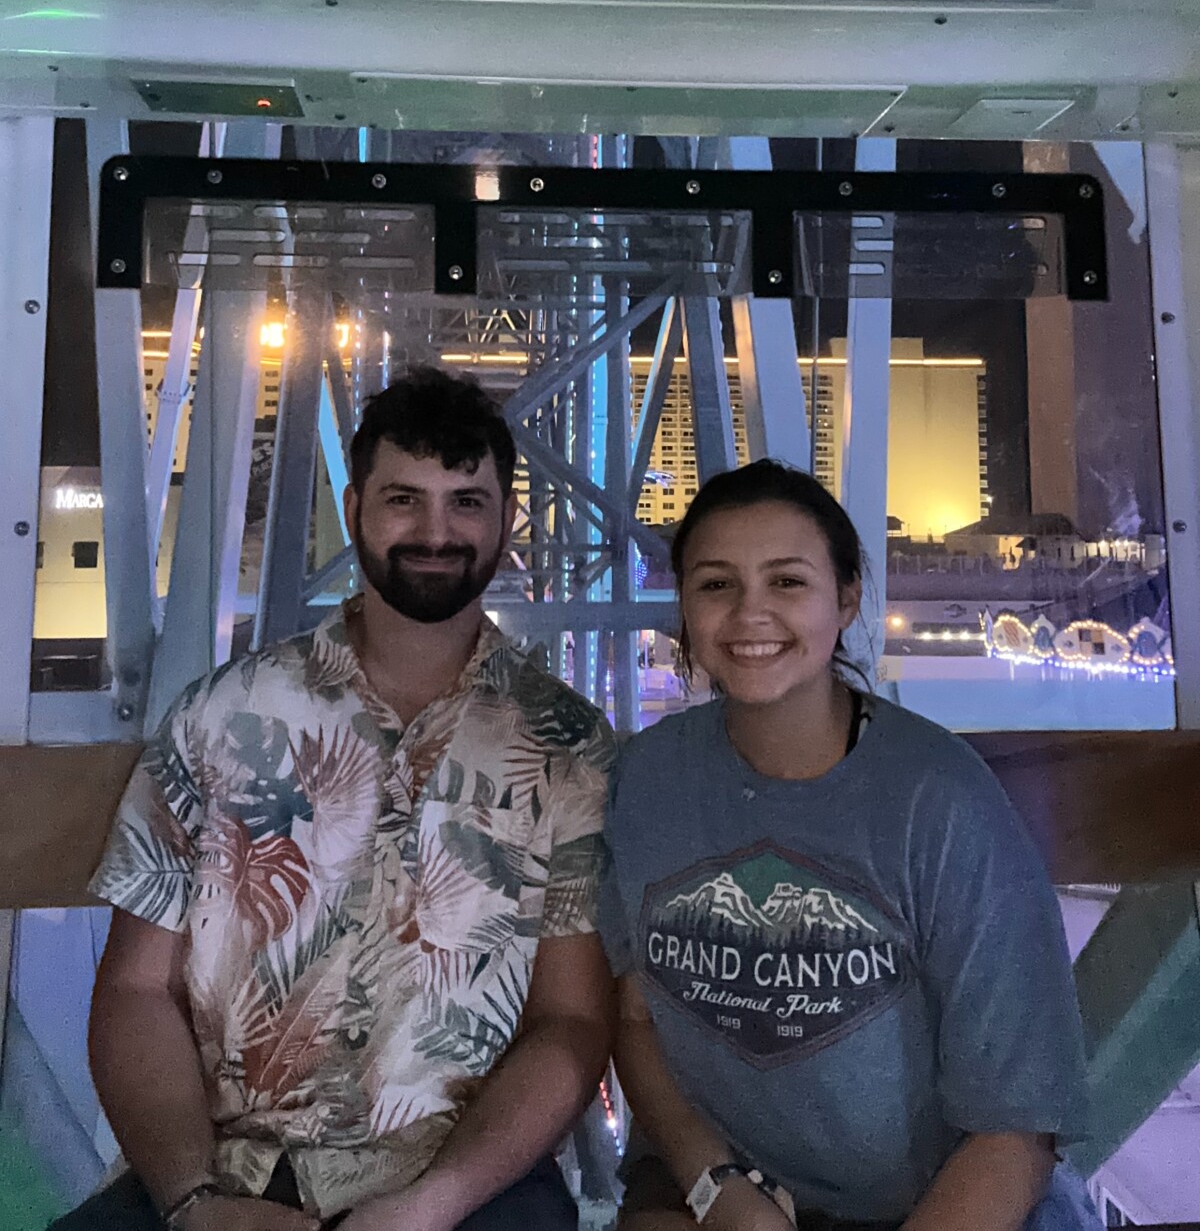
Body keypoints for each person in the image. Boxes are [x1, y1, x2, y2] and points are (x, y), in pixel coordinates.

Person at [60, 367, 616, 1231]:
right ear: (355, 507)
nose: (436, 532)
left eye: (467, 502)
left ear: (507, 519)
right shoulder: (221, 717)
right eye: (404, 500)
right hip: (225, 1162)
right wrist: (194, 1201)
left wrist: (432, 1205)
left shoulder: (566, 747)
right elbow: (137, 991)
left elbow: (571, 1021)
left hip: (459, 1179)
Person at [600, 460, 1101, 1231]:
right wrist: (716, 1188)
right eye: (716, 584)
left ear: (847, 598)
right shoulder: (646, 781)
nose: (750, 612)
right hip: (716, 1190)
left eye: (787, 582)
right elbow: (635, 1018)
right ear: (686, 608)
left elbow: (1017, 1127)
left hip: (947, 1200)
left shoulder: (940, 801)